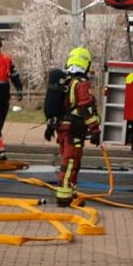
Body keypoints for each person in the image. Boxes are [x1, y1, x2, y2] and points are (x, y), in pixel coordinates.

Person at [44, 46, 101, 207]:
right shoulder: (81, 83)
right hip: (73, 130)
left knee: (72, 161)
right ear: (86, 64)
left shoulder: (66, 81)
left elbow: (58, 105)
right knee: (70, 162)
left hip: (63, 128)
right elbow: (85, 107)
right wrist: (95, 129)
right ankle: (64, 196)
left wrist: (50, 126)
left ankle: (71, 193)